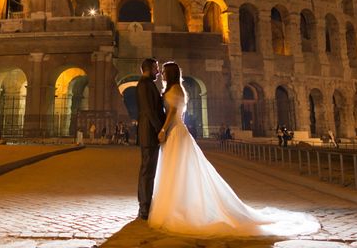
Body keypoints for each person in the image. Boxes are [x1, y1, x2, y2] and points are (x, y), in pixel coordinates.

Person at [148, 61, 319, 237]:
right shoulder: (174, 89)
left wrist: (163, 129)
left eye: (164, 71)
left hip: (176, 132)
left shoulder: (176, 90)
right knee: (177, 171)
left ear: (171, 73)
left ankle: (179, 207)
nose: (162, 74)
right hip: (176, 132)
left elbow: (172, 113)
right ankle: (178, 204)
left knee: (178, 170)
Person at [136, 57, 166, 221]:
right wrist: (159, 128)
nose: (158, 72)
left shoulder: (148, 84)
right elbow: (148, 110)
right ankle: (144, 207)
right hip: (149, 133)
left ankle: (145, 204)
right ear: (148, 68)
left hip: (149, 132)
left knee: (148, 170)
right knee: (147, 171)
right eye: (156, 68)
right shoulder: (144, 84)